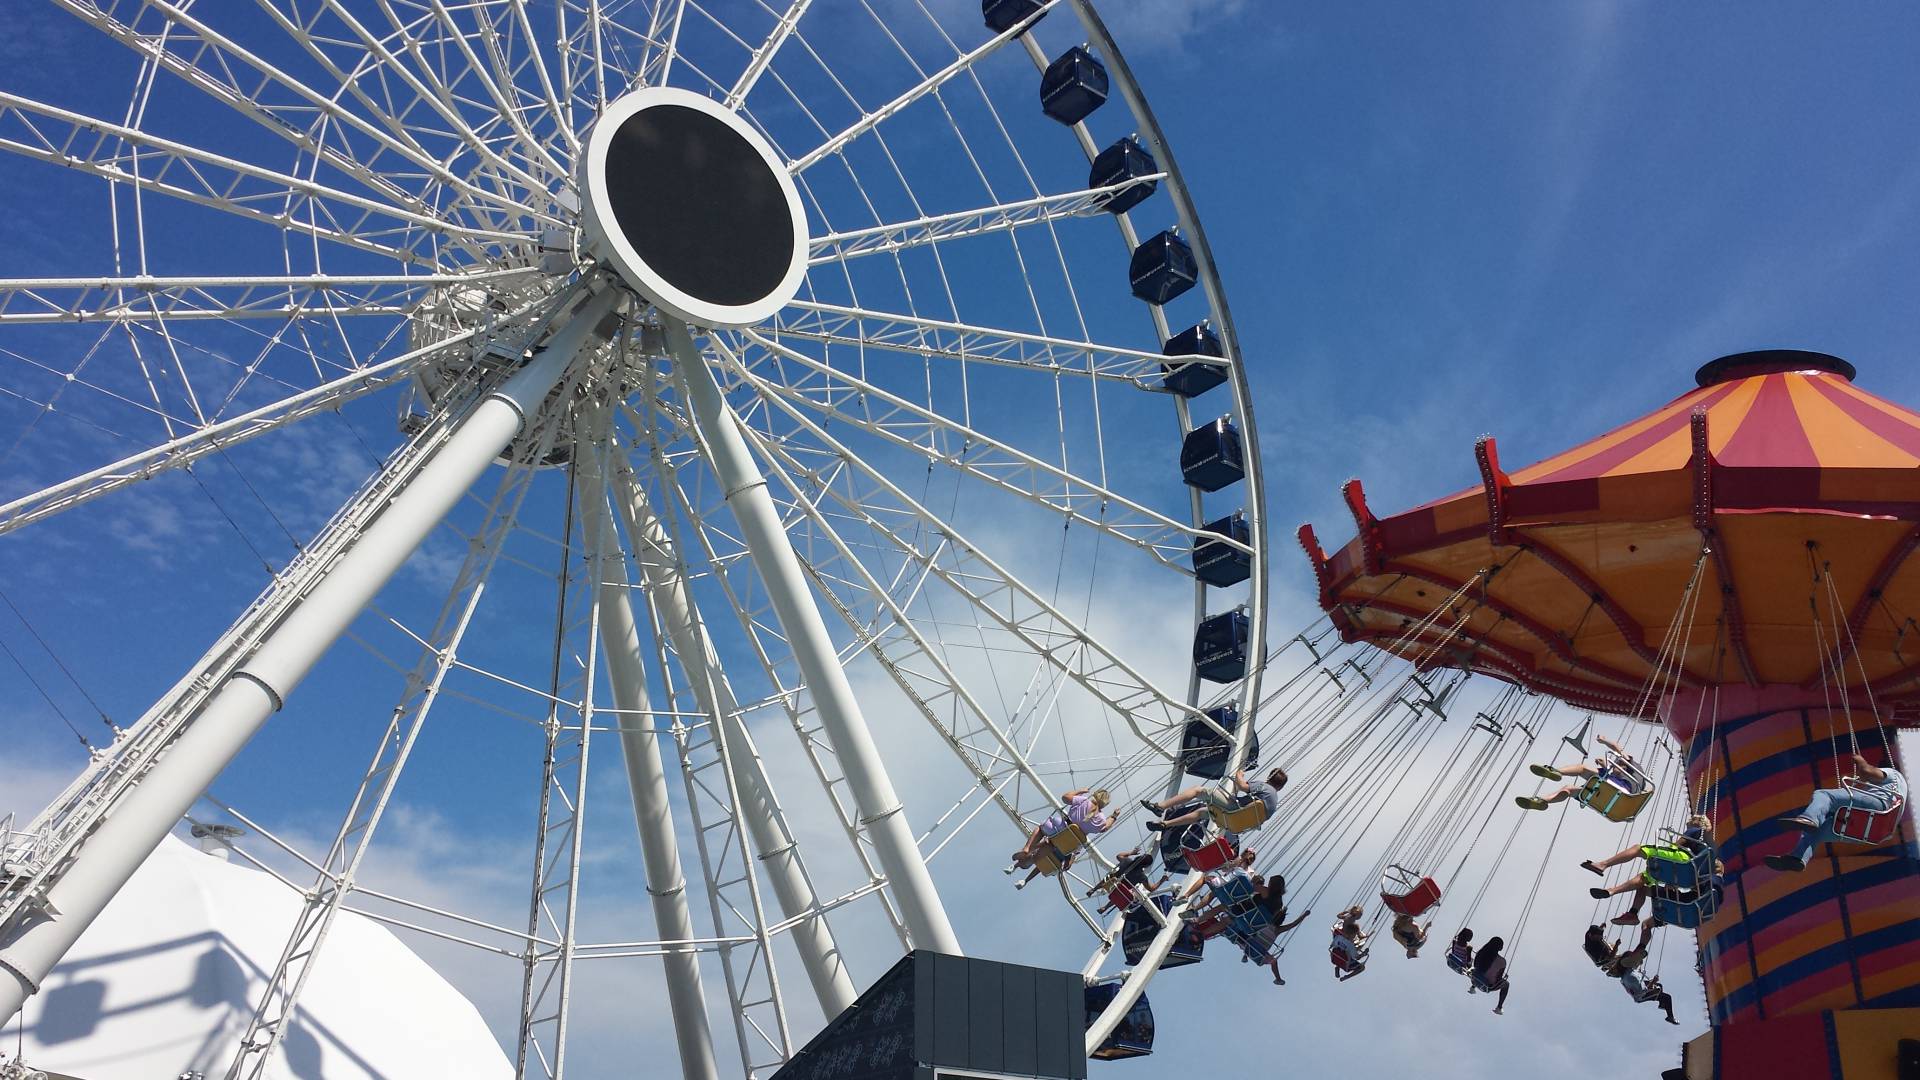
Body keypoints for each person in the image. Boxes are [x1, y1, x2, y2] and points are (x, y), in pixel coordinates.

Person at [1765, 753, 1909, 872]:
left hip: (1878, 807)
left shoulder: (1893, 773)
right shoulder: (1900, 789)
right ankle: (1797, 858)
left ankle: (1810, 818)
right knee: (1818, 831)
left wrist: (1860, 761)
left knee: (1824, 795)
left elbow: (1867, 770)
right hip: (1875, 831)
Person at [1142, 767, 1288, 833]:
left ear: (1269, 778)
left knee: (1199, 791)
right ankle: (1165, 824)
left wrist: (1239, 774)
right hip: (1236, 823)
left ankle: (1160, 806)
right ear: (1280, 787)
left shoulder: (1264, 786)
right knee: (1202, 812)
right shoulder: (1274, 802)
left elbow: (1242, 786)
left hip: (1234, 810)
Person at [1007, 788, 1112, 877]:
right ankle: (1032, 860)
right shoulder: (1102, 819)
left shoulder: (1084, 801)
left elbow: (1065, 797)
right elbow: (1104, 828)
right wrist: (1114, 817)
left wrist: (1081, 790)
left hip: (1059, 827)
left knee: (1041, 829)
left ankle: (1027, 848)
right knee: (1052, 846)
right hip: (1068, 842)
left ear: (1095, 795)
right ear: (1105, 804)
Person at [1516, 733, 1637, 810]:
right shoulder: (1620, 778)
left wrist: (1603, 740)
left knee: (1582, 768)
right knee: (1568, 789)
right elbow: (1614, 774)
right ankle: (1541, 801)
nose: (1613, 766)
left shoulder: (1629, 764)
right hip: (1609, 803)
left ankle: (1556, 771)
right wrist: (1605, 766)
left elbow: (1617, 748)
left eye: (1615, 765)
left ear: (1624, 766)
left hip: (1619, 793)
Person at [1590, 859, 1726, 925]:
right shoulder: (1718, 886)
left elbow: (1693, 883)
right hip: (1690, 909)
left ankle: (1632, 913)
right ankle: (1632, 914)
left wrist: (1673, 882)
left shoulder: (1708, 878)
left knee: (1643, 886)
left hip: (1684, 904)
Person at [1580, 814, 1711, 876]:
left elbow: (1676, 845)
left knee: (1638, 848)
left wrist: (1667, 850)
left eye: (1693, 818)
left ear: (1698, 822)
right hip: (1692, 869)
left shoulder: (1694, 830)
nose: (1689, 820)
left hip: (1684, 860)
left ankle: (1603, 864)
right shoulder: (1705, 840)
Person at [1089, 845, 1166, 913]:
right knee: (1122, 894)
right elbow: (1151, 889)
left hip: (1111, 883)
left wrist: (1132, 853)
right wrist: (1162, 880)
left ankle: (1093, 889)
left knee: (1111, 877)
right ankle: (1105, 907)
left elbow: (1118, 856)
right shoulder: (1142, 876)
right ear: (1145, 866)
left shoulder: (1126, 861)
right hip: (1120, 892)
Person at [1469, 935, 1511, 1014]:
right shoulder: (1502, 961)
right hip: (1487, 985)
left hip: (1475, 978)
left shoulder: (1482, 951)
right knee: (1506, 984)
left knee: (1480, 971)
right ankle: (1499, 1007)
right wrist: (1502, 979)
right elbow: (1498, 979)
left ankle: (1472, 987)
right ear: (1500, 948)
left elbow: (1475, 965)